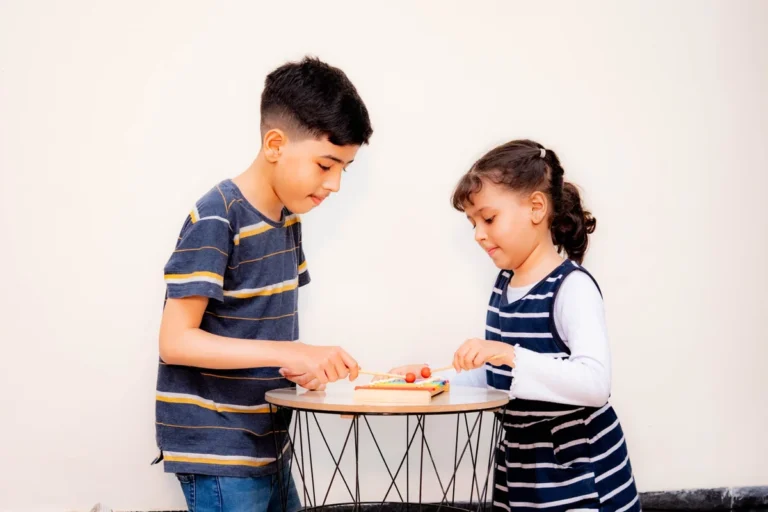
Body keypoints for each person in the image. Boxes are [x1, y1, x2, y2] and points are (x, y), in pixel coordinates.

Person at [154, 56, 372, 512]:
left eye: (343, 169)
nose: (334, 184)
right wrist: (288, 352)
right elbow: (175, 342)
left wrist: (300, 368)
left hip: (269, 444)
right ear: (275, 144)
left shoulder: (288, 219)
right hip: (220, 452)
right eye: (325, 164)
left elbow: (256, 334)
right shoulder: (217, 216)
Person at [393, 139, 640, 511]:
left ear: (536, 208)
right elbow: (498, 378)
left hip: (577, 474)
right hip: (524, 469)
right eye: (473, 222)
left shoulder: (571, 286)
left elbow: (595, 385)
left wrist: (509, 353)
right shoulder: (503, 287)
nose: (478, 233)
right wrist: (431, 381)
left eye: (488, 218)